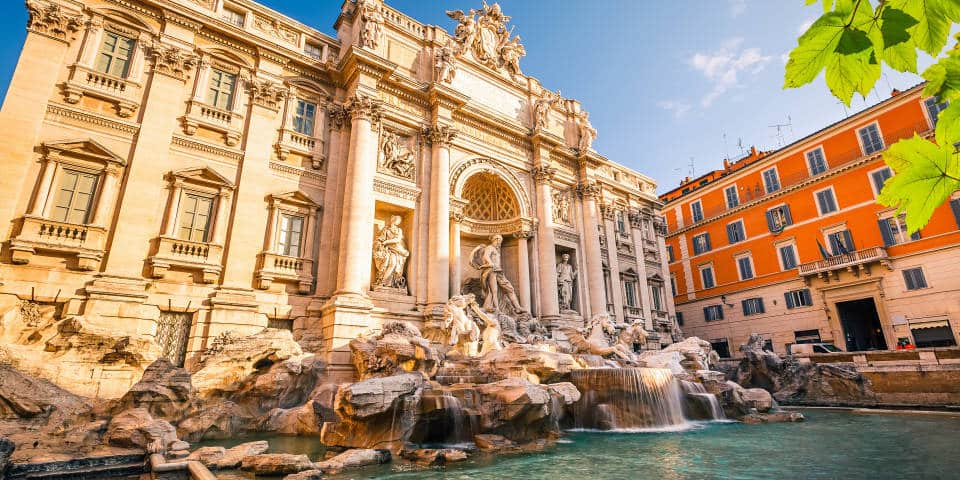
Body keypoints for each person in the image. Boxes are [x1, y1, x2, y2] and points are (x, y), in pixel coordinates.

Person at [477, 234, 524, 314]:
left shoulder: (496, 249)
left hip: (498, 272)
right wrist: (490, 263)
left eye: (500, 242)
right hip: (491, 271)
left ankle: (518, 307)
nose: (499, 244)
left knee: (510, 289)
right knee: (494, 291)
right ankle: (496, 308)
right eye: (499, 241)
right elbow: (485, 256)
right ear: (496, 240)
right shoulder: (490, 248)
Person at [372, 215, 409, 289]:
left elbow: (397, 239)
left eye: (399, 220)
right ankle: (383, 282)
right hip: (388, 249)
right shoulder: (386, 229)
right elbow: (381, 238)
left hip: (397, 249)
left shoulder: (399, 230)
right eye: (397, 220)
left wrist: (386, 242)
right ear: (393, 220)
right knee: (390, 263)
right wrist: (379, 243)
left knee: (394, 264)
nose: (398, 222)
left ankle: (386, 283)